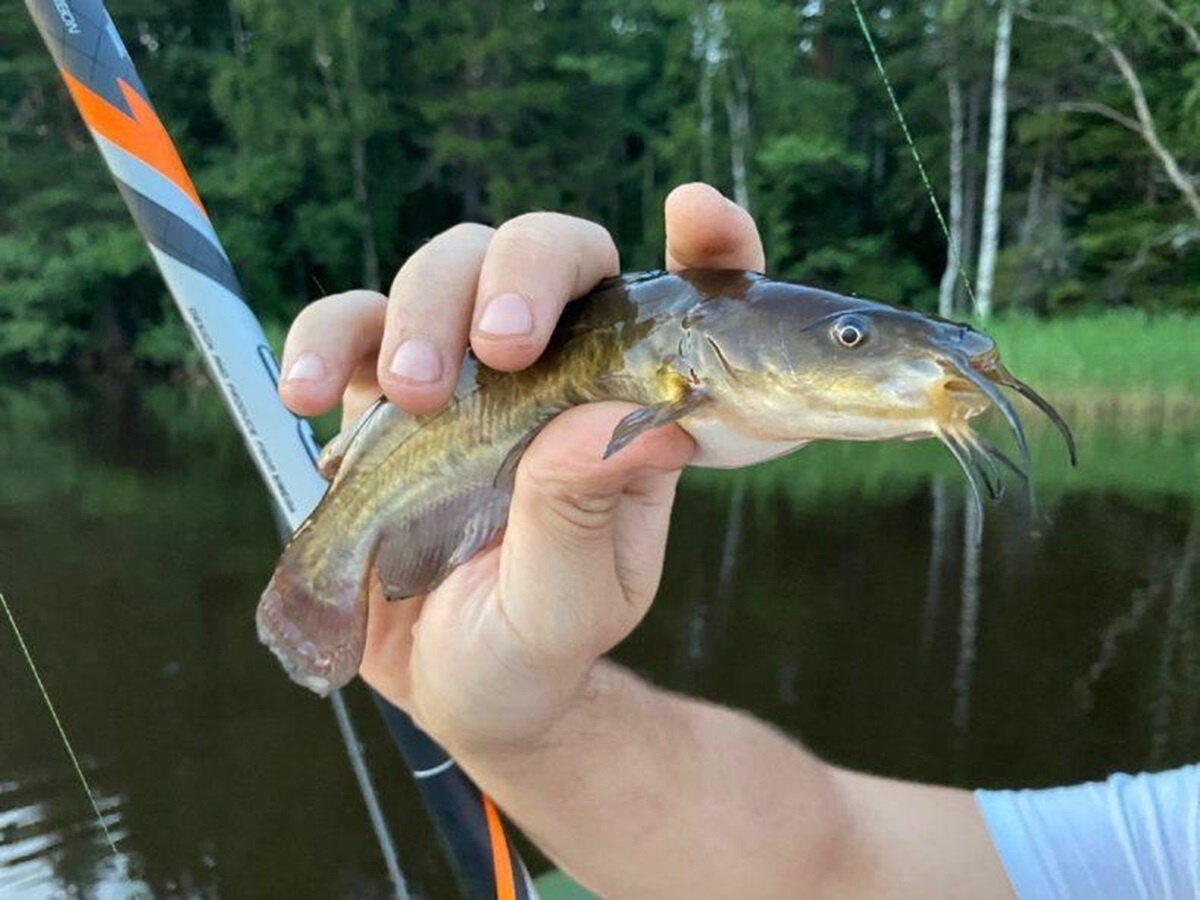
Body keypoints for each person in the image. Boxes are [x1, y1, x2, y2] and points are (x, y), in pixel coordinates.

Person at [277, 183, 1198, 899]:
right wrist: (512, 715)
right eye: (848, 335)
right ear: (701, 347)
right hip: (434, 515)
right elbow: (826, 868)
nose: (856, 343)